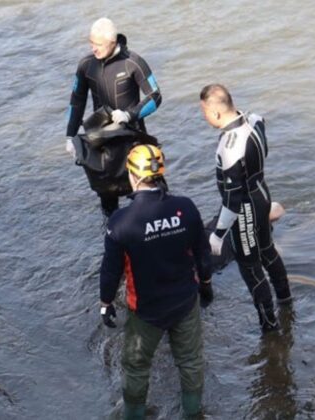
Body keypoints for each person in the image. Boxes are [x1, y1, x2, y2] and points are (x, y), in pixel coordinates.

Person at [99, 145, 212, 419]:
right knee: (190, 361)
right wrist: (206, 284)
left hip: (146, 311)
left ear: (132, 176)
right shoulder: (185, 208)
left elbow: (111, 271)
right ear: (161, 172)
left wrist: (105, 303)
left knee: (137, 366)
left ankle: (134, 414)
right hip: (185, 302)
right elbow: (202, 252)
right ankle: (192, 413)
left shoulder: (121, 222)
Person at [199, 84, 292, 333]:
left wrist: (218, 235)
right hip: (261, 191)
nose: (204, 118)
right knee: (268, 250)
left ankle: (270, 326)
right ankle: (286, 300)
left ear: (216, 112)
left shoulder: (229, 147)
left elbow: (233, 200)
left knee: (250, 266)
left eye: (204, 113)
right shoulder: (253, 120)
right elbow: (262, 119)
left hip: (245, 207)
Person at [66, 17, 163, 216]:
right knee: (108, 202)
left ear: (112, 42)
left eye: (98, 44)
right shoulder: (86, 65)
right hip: (102, 142)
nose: (93, 48)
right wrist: (70, 136)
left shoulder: (133, 62)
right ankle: (113, 239)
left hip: (132, 139)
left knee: (150, 193)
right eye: (91, 43)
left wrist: (130, 115)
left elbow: (156, 96)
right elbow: (77, 102)